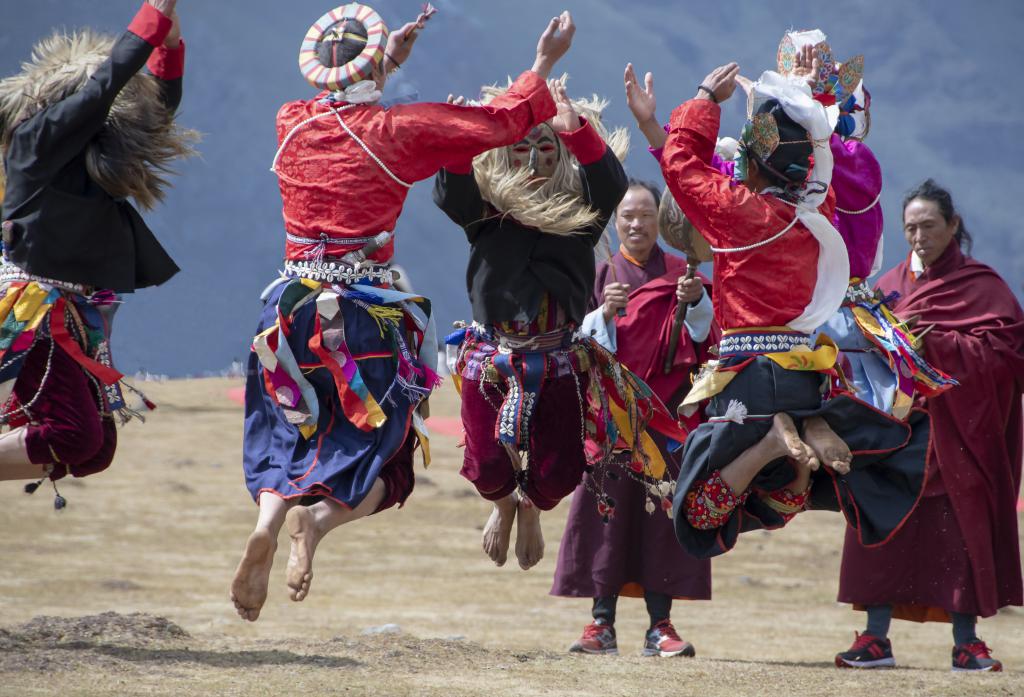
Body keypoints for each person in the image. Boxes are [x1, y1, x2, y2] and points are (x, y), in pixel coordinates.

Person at [230, 4, 576, 622]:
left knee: (285, 430)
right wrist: (544, 62)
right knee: (386, 455)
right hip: (359, 319)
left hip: (285, 313)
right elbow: (496, 123)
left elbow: (348, 100)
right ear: (372, 67)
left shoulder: (291, 122)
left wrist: (389, 61)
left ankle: (270, 517)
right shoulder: (398, 130)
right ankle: (320, 522)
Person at [655, 57, 919, 560]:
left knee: (696, 520)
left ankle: (774, 444)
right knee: (780, 503)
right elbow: (822, 170)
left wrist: (705, 102)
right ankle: (805, 433)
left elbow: (681, 166)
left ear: (750, 165)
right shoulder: (817, 213)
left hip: (748, 374)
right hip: (802, 374)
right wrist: (808, 101)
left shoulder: (738, 212)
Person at [436, 75, 686, 573]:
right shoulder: (483, 216)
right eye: (522, 145)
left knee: (558, 474)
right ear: (504, 153)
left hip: (558, 361)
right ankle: (504, 501)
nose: (534, 156)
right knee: (485, 466)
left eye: (546, 146)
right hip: (493, 358)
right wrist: (461, 132)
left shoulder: (583, 216)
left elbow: (612, 183)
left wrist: (575, 132)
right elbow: (450, 192)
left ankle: (530, 505)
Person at [0, 0, 193, 503]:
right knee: (75, 436)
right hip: (32, 309)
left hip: (75, 310)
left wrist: (169, 47)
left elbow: (152, 116)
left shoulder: (88, 161)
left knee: (97, 448)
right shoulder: (33, 141)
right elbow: (103, 87)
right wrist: (153, 14)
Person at [835, 180, 1024, 672]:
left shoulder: (984, 287)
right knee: (882, 526)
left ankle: (967, 643)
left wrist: (936, 345)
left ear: (953, 226)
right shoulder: (891, 285)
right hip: (894, 434)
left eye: (929, 226)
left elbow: (1008, 357)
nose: (919, 236)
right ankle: (875, 638)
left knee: (957, 534)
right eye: (910, 228)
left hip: (956, 435)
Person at [551, 178, 716, 657]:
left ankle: (660, 626)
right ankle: (601, 624)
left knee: (663, 520)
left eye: (646, 214)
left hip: (668, 421)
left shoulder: (684, 273)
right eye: (627, 215)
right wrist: (603, 313)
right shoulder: (603, 275)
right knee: (605, 516)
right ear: (616, 222)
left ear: (662, 221)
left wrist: (697, 300)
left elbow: (706, 339)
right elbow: (578, 347)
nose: (637, 223)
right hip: (613, 421)